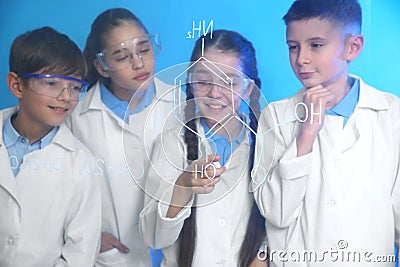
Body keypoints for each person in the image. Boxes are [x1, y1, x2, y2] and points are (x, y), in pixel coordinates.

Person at [251, 0, 400, 266]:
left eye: (316, 45)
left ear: (352, 47)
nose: (301, 59)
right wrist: (306, 134)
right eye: (293, 47)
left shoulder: (390, 114)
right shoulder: (276, 116)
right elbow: (276, 212)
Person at [140, 29, 268, 267]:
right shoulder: (172, 142)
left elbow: (280, 218)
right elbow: (154, 236)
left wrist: (263, 254)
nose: (214, 93)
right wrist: (183, 186)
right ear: (190, 81)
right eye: (203, 81)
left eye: (228, 82)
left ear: (248, 89)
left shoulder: (265, 144)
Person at [66, 8, 180, 267]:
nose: (138, 64)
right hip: (105, 258)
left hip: (170, 254)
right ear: (101, 66)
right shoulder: (76, 115)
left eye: (144, 49)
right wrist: (89, 236)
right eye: (122, 57)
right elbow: (60, 187)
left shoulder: (179, 105)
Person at [0, 26, 101, 266]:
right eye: (52, 83)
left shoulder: (81, 163)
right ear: (17, 85)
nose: (66, 96)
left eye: (75, 87)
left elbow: (80, 255)